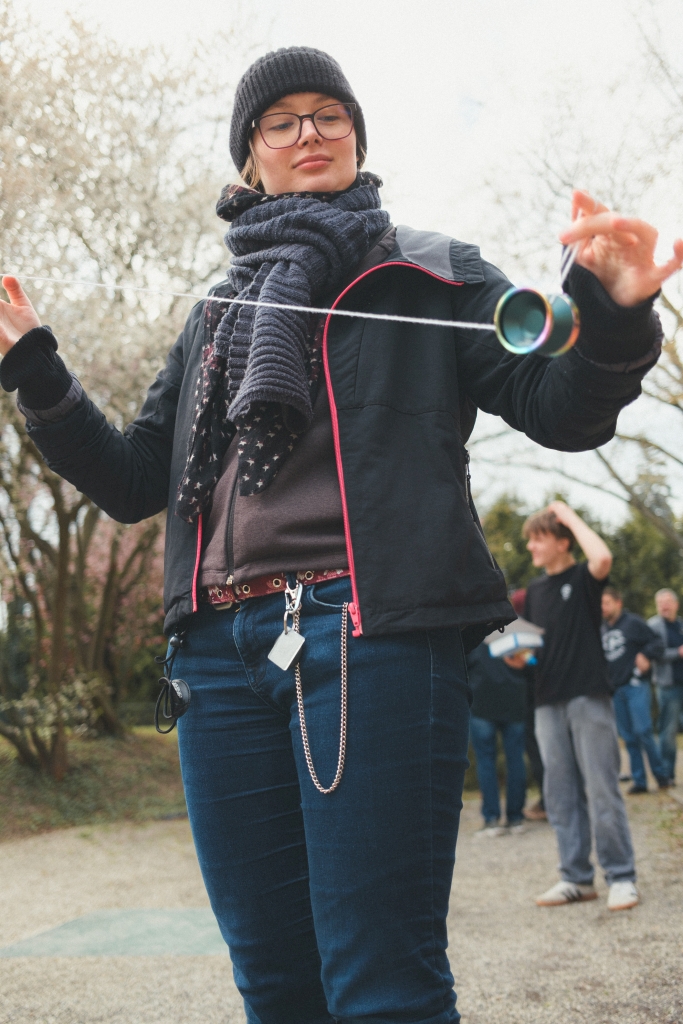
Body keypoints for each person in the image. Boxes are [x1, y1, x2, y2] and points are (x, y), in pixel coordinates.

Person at [0, 44, 679, 1023]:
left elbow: (560, 406)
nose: (307, 131)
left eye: (329, 113)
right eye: (280, 121)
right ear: (251, 159)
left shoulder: (428, 269)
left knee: (381, 987)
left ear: (357, 139)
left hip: (368, 639)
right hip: (216, 659)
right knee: (274, 987)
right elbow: (132, 480)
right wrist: (34, 367)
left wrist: (613, 317)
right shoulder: (216, 315)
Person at [524, 502, 640, 912]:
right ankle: (576, 878)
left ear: (562, 541)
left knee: (601, 787)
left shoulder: (583, 577)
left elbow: (603, 556)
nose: (531, 548)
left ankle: (621, 876)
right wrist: (519, 657)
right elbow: (534, 648)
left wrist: (568, 514)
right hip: (546, 701)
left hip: (588, 695)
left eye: (538, 538)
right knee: (559, 794)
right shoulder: (534, 592)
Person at [467, 620, 539, 835]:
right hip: (514, 703)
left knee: (486, 761)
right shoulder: (516, 632)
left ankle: (492, 819)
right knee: (515, 759)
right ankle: (516, 818)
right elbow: (532, 664)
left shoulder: (472, 633)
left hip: (481, 704)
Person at [601, 587, 668, 792]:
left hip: (635, 684)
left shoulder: (633, 623)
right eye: (601, 604)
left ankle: (661, 775)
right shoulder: (601, 628)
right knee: (628, 737)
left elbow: (658, 643)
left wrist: (646, 655)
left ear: (618, 602)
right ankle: (639, 781)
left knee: (643, 731)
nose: (603, 608)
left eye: (606, 603)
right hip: (616, 690)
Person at [511, 587, 547, 820]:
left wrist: (517, 661)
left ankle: (547, 802)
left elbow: (531, 662)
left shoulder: (523, 630)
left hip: (534, 700)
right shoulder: (543, 622)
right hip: (544, 696)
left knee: (538, 753)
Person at [647, 588, 683, 784]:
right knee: (668, 731)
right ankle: (667, 774)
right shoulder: (653, 626)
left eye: (667, 602)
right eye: (660, 602)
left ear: (676, 604)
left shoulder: (680, 625)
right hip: (668, 685)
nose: (664, 606)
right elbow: (654, 654)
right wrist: (677, 653)